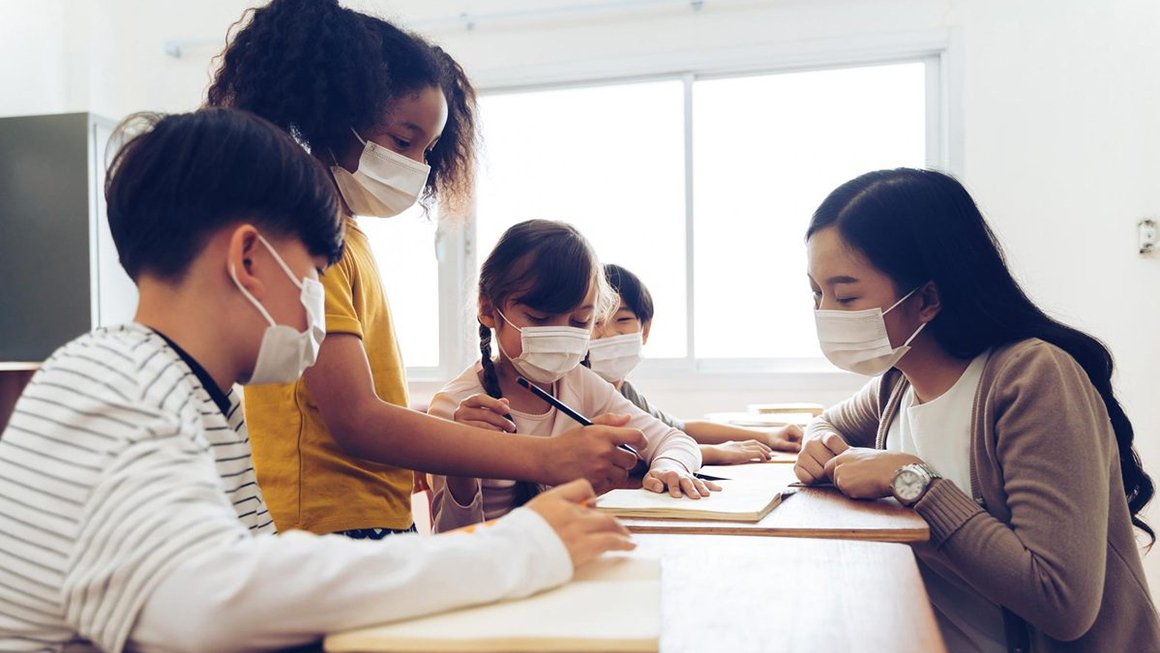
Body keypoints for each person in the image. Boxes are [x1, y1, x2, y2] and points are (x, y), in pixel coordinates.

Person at [0, 109, 634, 653]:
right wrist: (516, 549)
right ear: (250, 259)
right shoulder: (111, 385)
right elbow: (210, 601)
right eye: (314, 271)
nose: (316, 302)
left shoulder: (192, 393)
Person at [207, 0, 645, 537]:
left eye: (428, 150)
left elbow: (355, 402)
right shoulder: (305, 245)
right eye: (401, 140)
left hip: (368, 516)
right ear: (327, 118)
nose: (416, 166)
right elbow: (358, 420)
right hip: (326, 526)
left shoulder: (345, 238)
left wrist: (431, 433)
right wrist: (547, 457)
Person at [793, 168, 1160, 651]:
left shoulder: (1032, 377)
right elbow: (827, 422)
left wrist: (912, 482)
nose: (826, 314)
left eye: (846, 296)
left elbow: (1062, 602)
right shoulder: (898, 383)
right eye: (816, 294)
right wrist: (816, 441)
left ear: (926, 298)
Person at [427, 220, 715, 533]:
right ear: (488, 309)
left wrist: (669, 466)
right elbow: (452, 540)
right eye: (539, 318)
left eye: (580, 322)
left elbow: (674, 440)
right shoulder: (455, 407)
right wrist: (462, 470)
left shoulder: (581, 384)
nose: (561, 334)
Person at [590, 263, 803, 465]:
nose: (608, 333)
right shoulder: (577, 388)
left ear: (645, 330)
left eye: (623, 319)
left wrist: (769, 436)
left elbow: (680, 429)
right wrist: (714, 453)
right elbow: (626, 457)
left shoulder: (626, 392)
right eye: (597, 322)